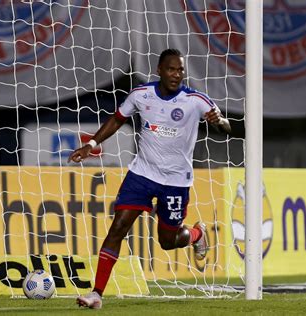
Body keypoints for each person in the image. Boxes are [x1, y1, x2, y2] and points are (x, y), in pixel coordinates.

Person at [68, 48, 231, 309]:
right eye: (171, 69)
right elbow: (118, 118)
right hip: (142, 173)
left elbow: (226, 127)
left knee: (167, 241)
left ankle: (197, 234)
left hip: (176, 181)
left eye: (180, 70)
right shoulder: (141, 95)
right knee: (118, 227)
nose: (176, 74)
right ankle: (96, 293)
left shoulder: (195, 99)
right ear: (159, 71)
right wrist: (92, 143)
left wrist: (217, 120)